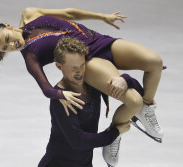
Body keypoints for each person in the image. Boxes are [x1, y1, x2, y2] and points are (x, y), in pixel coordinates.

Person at [0, 7, 164, 166]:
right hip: (89, 60)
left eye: (7, 38)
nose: (12, 45)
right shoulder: (30, 56)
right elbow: (46, 89)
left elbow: (69, 13)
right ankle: (113, 137)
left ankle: (147, 107)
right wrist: (61, 94)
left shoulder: (30, 13)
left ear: (8, 26)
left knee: (154, 62)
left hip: (99, 40)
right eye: (5, 48)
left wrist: (102, 17)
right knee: (133, 101)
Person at [40, 37, 142, 167]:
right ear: (59, 66)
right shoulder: (61, 99)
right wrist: (114, 134)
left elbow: (139, 92)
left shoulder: (92, 85)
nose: (79, 72)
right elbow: (78, 141)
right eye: (73, 68)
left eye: (82, 65)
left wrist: (125, 80)